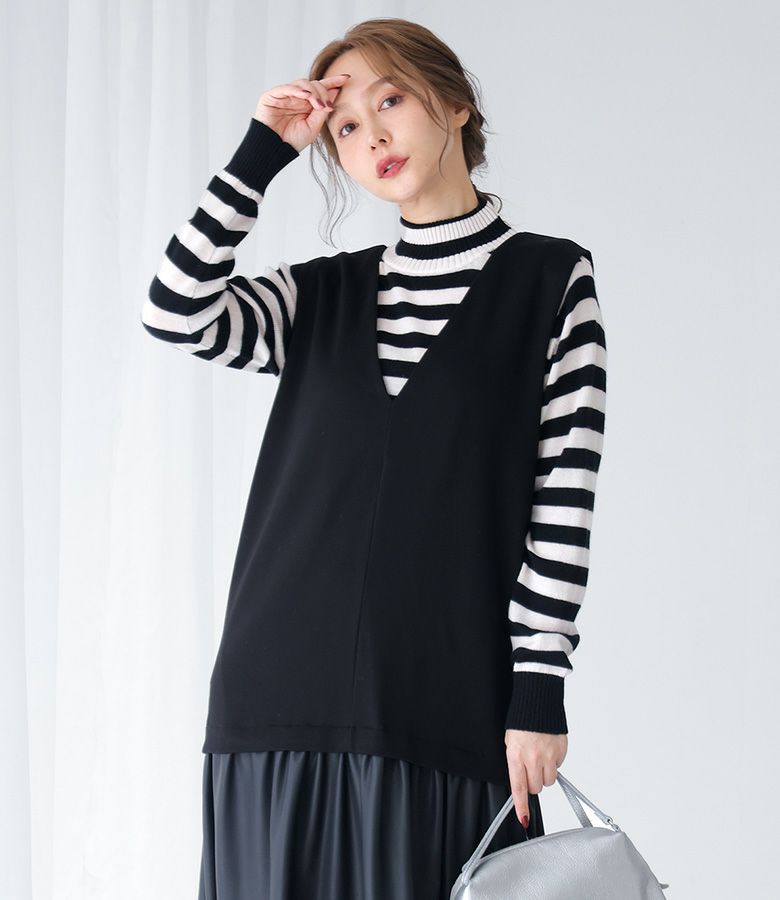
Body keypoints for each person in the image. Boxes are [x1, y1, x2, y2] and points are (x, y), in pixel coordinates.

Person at [141, 17, 607, 900]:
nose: (372, 137)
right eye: (347, 126)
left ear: (456, 104)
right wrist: (262, 153)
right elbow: (176, 308)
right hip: (276, 696)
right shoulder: (318, 296)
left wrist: (538, 690)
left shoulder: (551, 283)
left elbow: (564, 502)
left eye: (391, 101)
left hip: (444, 698)